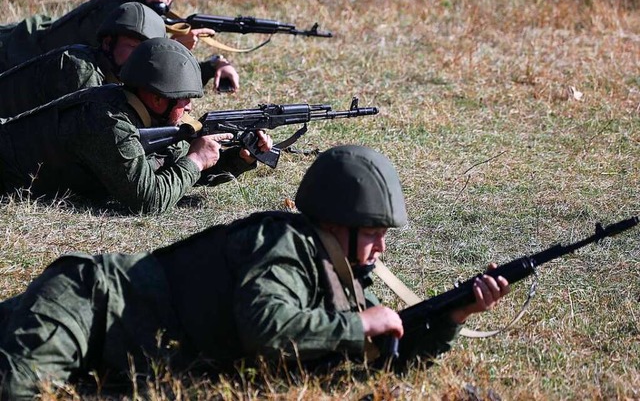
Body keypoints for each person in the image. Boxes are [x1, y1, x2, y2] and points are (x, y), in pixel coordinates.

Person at [0, 145, 510, 399]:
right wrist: (361, 323)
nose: (381, 246)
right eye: (373, 230)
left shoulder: (335, 278)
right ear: (336, 223)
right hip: (90, 304)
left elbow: (377, 365)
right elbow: (267, 329)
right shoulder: (283, 246)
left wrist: (453, 317)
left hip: (123, 358)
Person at [0, 37, 270, 214]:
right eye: (183, 99)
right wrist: (196, 160)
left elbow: (174, 167)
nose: (189, 106)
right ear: (156, 97)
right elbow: (148, 200)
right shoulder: (108, 122)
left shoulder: (143, 114)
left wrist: (239, 158)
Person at [0, 1, 238, 119]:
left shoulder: (118, 69)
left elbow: (164, 81)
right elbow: (103, 129)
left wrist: (214, 64)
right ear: (107, 43)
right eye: (132, 46)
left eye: (145, 49)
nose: (140, 56)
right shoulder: (81, 69)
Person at [0, 0, 225, 80]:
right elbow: (138, 70)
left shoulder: (139, 11)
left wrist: (213, 65)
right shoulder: (122, 10)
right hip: (16, 53)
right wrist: (176, 47)